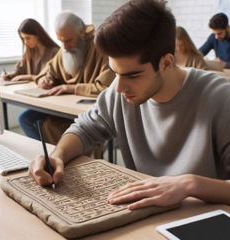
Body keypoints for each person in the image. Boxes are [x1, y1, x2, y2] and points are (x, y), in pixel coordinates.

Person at [29, 0, 230, 210]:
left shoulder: (219, 97)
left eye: (132, 75)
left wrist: (191, 184)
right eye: (115, 72)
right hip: (142, 216)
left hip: (197, 220)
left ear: (166, 63)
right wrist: (56, 156)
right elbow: (84, 129)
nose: (119, 88)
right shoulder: (120, 89)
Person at [19, 11, 115, 145]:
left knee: (47, 125)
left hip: (88, 109)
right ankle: (49, 156)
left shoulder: (100, 46)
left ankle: (61, 157)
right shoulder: (65, 47)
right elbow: (48, 72)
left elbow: (106, 87)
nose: (64, 47)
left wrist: (70, 88)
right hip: (63, 106)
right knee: (26, 118)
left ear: (82, 32)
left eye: (69, 40)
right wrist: (46, 80)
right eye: (61, 41)